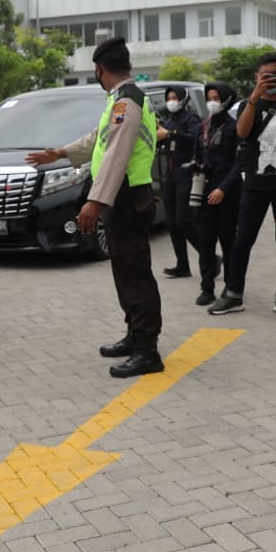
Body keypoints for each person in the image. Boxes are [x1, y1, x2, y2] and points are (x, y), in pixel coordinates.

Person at [25, 38, 164, 378]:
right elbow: (97, 139)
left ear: (101, 70)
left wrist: (94, 201)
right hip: (123, 196)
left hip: (129, 197)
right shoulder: (120, 100)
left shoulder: (127, 102)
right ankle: (135, 336)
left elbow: (117, 154)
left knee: (135, 273)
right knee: (124, 271)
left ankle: (148, 350)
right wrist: (58, 153)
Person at [207, 51, 276, 318]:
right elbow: (242, 132)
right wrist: (254, 98)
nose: (271, 80)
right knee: (242, 241)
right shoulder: (247, 104)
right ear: (257, 77)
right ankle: (233, 294)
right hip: (254, 184)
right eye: (266, 76)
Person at [193, 81, 240, 306]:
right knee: (206, 241)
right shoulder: (203, 126)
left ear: (226, 99)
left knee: (228, 241)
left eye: (216, 97)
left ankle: (231, 286)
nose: (212, 102)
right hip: (205, 191)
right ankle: (206, 287)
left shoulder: (234, 127)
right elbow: (198, 156)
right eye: (209, 97)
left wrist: (223, 188)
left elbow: (239, 163)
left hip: (227, 192)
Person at [157, 86, 204, 278]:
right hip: (169, 176)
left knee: (183, 220)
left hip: (186, 175)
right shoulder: (168, 121)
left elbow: (195, 139)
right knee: (172, 223)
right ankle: (182, 264)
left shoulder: (191, 119)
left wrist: (169, 135)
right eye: (168, 98)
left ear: (183, 99)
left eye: (175, 97)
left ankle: (208, 254)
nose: (171, 101)